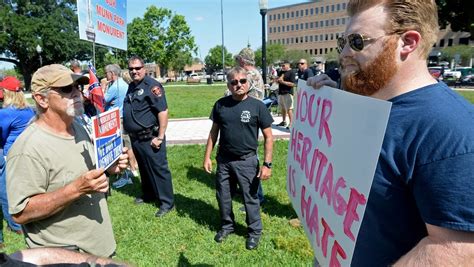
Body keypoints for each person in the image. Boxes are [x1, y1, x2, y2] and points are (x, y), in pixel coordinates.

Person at [306, 1, 474, 265]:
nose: (344, 53)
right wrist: (330, 99)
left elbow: (457, 250)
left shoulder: (449, 127)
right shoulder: (365, 103)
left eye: (357, 41)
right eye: (343, 43)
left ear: (407, 42)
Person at [6, 64, 129, 258]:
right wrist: (75, 189)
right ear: (41, 99)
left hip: (100, 247)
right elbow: (20, 213)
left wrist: (109, 168)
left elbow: (85, 173)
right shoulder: (28, 148)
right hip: (67, 257)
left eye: (78, 87)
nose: (76, 93)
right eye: (66, 89)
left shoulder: (78, 128)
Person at [203, 67, 274, 250]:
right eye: (234, 82)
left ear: (248, 83)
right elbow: (213, 133)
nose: (239, 85)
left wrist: (267, 164)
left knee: (250, 197)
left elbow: (268, 137)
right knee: (223, 196)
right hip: (224, 160)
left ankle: (254, 232)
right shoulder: (220, 104)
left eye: (242, 81)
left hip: (247, 161)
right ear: (228, 85)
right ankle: (227, 226)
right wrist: (207, 157)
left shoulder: (257, 106)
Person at [123, 55, 175, 218]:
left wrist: (160, 136)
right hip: (136, 137)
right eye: (131, 69)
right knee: (144, 169)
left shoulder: (153, 86)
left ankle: (167, 203)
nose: (134, 71)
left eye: (137, 68)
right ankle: (149, 194)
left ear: (144, 69)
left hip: (150, 137)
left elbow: (163, 111)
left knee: (159, 169)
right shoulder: (131, 86)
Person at [0, 77, 35, 246]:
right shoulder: (28, 110)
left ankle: (15, 223)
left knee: (6, 191)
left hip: (10, 155)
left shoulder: (5, 113)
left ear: (6, 93)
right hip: (27, 153)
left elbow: (2, 136)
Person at [104, 64, 138, 189]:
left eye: (106, 73)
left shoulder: (115, 86)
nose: (105, 75)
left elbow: (104, 99)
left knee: (123, 146)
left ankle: (128, 172)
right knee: (127, 144)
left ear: (112, 74)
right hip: (124, 117)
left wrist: (103, 87)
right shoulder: (123, 84)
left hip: (118, 119)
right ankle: (132, 167)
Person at [275, 61, 295, 129]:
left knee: (289, 109)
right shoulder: (281, 72)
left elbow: (293, 84)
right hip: (281, 92)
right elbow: (278, 81)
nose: (282, 67)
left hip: (288, 93)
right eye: (281, 65)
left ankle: (291, 123)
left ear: (288, 65)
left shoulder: (292, 72)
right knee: (282, 108)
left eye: (283, 65)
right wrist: (276, 80)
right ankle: (283, 121)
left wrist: (283, 82)